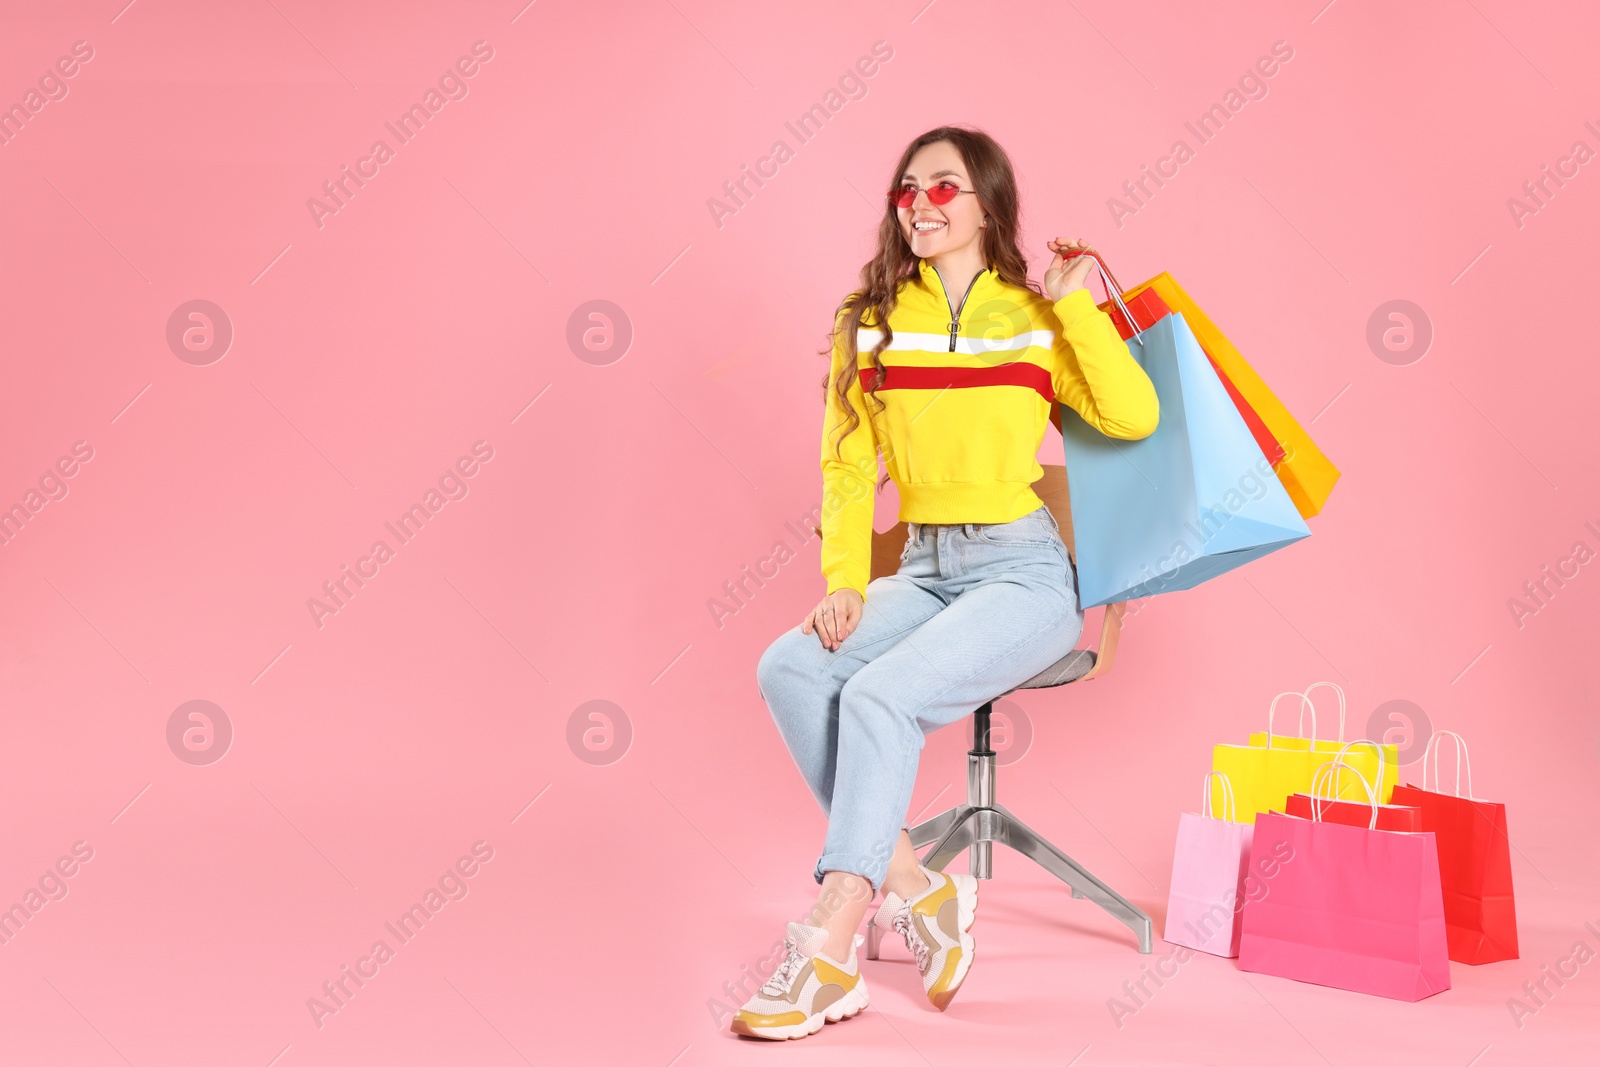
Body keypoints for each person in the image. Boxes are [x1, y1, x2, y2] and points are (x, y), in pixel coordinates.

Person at [731, 125, 1159, 1041]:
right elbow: (847, 468)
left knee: (880, 695)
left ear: (987, 205)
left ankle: (831, 940)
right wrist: (846, 578)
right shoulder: (870, 319)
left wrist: (1076, 305)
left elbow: (1132, 416)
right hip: (923, 568)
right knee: (791, 667)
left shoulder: (1036, 320)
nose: (920, 205)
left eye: (943, 188)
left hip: (1024, 572)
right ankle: (922, 889)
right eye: (907, 190)